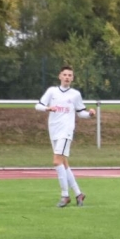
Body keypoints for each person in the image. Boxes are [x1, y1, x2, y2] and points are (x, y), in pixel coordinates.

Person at [35, 65, 96, 207]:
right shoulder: (52, 91)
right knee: (64, 163)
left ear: (72, 78)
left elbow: (81, 112)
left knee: (56, 161)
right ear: (60, 76)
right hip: (54, 130)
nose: (67, 77)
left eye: (70, 75)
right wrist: (47, 108)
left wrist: (90, 114)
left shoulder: (75, 94)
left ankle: (65, 195)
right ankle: (79, 194)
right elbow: (38, 106)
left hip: (66, 131)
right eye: (65, 75)